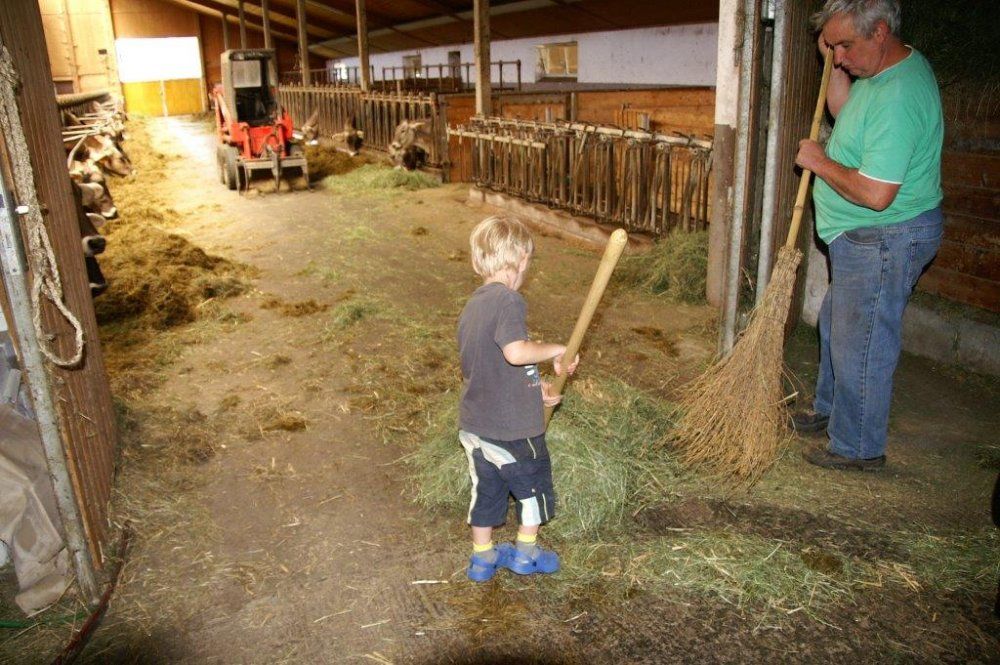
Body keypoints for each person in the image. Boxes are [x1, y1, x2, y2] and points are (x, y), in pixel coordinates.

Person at [793, 0, 944, 471]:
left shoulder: (900, 96)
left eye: (845, 46)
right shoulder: (878, 75)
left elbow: (877, 194)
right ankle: (830, 410)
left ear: (879, 32)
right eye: (833, 46)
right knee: (838, 322)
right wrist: (828, 62)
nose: (839, 57)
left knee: (862, 339)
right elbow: (844, 108)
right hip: (864, 235)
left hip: (884, 235)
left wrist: (819, 162)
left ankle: (857, 447)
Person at [457, 215, 578, 582]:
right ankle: (525, 554)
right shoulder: (509, 301)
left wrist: (535, 390)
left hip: (476, 427)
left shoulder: (472, 307)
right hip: (512, 433)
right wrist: (560, 348)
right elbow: (514, 352)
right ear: (520, 260)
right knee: (534, 490)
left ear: (480, 261)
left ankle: (482, 559)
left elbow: (490, 367)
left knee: (487, 492)